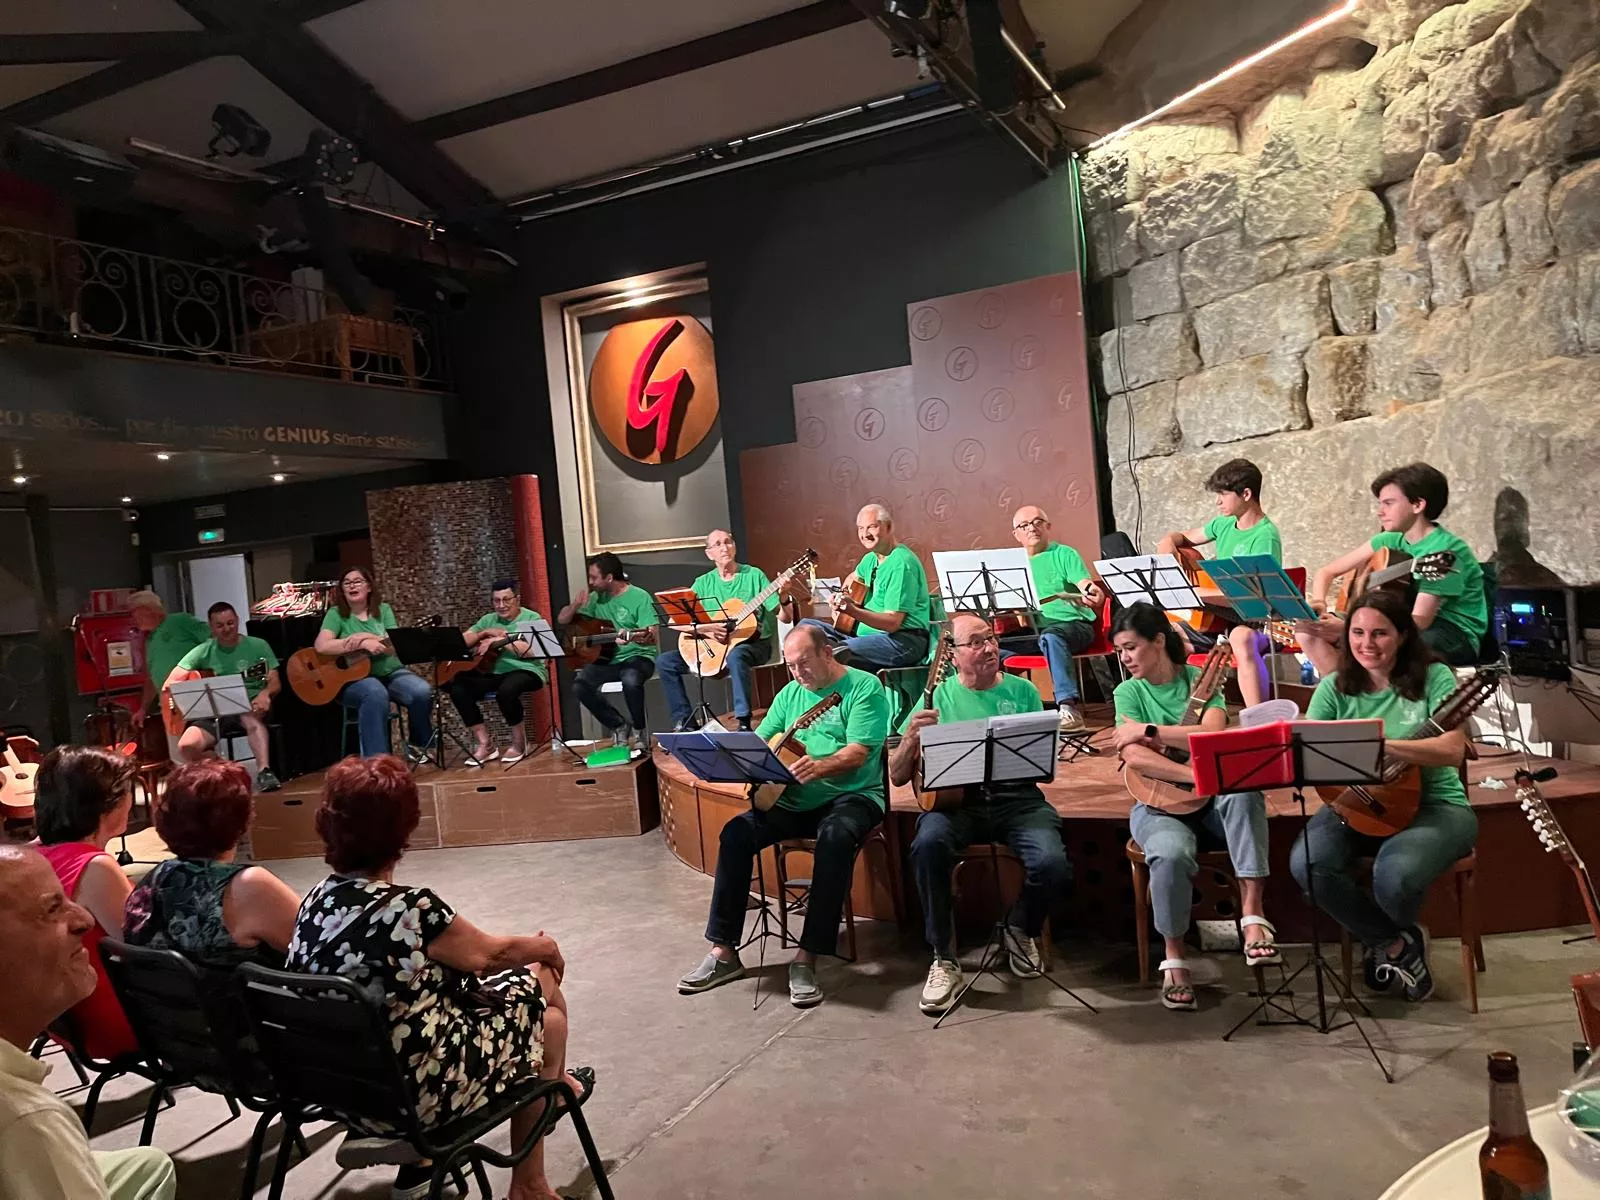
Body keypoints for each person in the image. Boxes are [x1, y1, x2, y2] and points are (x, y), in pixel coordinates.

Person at [287, 756, 592, 1200]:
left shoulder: (314, 901)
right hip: (417, 1101)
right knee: (540, 985)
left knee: (549, 1024)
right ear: (403, 830)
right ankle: (542, 1139)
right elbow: (490, 956)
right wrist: (544, 949)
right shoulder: (411, 909)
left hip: (347, 1095)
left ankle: (544, 1132)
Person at [678, 624, 889, 1008]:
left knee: (835, 837)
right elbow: (763, 741)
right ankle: (724, 952)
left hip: (853, 795)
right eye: (791, 666)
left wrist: (819, 767)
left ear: (827, 653)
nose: (797, 673)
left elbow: (859, 752)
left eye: (804, 663)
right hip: (792, 799)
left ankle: (808, 956)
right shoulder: (790, 693)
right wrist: (736, 760)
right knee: (735, 834)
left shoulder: (864, 687)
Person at [1288, 589, 1476, 1002]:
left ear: (1403, 636)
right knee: (1308, 864)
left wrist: (1382, 745)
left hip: (1437, 805)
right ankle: (1394, 943)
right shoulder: (1335, 686)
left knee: (1395, 874)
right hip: (1356, 803)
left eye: (1380, 633)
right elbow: (1309, 750)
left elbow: (1451, 750)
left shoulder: (1435, 678)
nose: (1366, 644)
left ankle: (1384, 943)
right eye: (1357, 633)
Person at [890, 613, 1070, 1016]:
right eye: (975, 642)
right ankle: (943, 957)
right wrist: (911, 739)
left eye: (990, 639)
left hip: (1017, 798)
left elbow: (1040, 765)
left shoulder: (1024, 691)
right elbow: (898, 775)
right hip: (956, 803)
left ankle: (1020, 928)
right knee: (927, 845)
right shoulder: (936, 697)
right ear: (952, 655)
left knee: (1052, 862)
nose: (989, 648)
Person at [1109, 603, 1279, 1011]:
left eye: (1131, 647)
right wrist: (1192, 773)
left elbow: (1213, 735)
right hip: (1158, 805)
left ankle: (1252, 916)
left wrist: (1150, 730)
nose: (1125, 658)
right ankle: (1174, 959)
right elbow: (1134, 755)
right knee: (1169, 854)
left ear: (1158, 641)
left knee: (1245, 793)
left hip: (1213, 804)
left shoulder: (1199, 681)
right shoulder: (1128, 691)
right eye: (1120, 651)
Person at [0, 844, 177, 1200]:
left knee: (150, 1165)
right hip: (117, 1032)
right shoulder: (26, 1121)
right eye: (52, 909)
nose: (85, 919)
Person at [1300, 462, 1488, 675]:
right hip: (1397, 622)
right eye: (1380, 504)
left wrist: (1349, 629)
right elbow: (1326, 572)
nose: (1380, 512)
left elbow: (1419, 622)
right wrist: (1320, 603)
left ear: (1418, 505)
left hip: (1452, 633)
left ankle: (1363, 691)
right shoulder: (1391, 539)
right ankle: (1344, 693)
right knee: (1308, 632)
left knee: (1382, 646)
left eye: (1388, 503)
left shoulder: (1445, 552)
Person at [123, 757, 300, 969]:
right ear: (242, 821)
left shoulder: (153, 880)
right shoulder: (250, 885)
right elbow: (316, 948)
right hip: (239, 992)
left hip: (157, 991)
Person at [33, 746, 139, 1060]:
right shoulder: (95, 867)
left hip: (62, 1019)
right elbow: (145, 952)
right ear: (106, 803)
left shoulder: (30, 856)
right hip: (111, 1022)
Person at [1156, 458, 1283, 709]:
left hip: (1258, 622)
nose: (1218, 501)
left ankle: (1258, 717)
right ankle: (1178, 710)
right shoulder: (1223, 524)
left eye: (1223, 494)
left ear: (1246, 494)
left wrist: (1196, 594)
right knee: (1164, 637)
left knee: (1240, 637)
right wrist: (1167, 542)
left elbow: (1253, 596)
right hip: (1220, 620)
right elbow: (1183, 537)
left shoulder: (1265, 535)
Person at [656, 530, 780, 733]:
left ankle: (743, 722)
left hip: (754, 645)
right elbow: (673, 622)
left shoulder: (754, 575)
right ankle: (684, 721)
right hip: (711, 648)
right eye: (718, 544)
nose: (724, 548)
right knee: (665, 662)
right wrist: (708, 630)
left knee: (736, 655)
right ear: (709, 553)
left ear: (734, 546)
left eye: (728, 542)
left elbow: (784, 616)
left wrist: (785, 597)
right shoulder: (703, 583)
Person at [787, 504, 930, 671]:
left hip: (901, 641)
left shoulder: (901, 564)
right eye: (861, 528)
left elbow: (892, 623)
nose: (865, 534)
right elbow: (852, 578)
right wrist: (841, 597)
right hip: (860, 635)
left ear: (889, 527)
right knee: (806, 629)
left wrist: (852, 611)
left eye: (872, 527)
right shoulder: (870, 559)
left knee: (838, 652)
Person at [314, 566, 435, 762]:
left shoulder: (383, 610)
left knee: (422, 691)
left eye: (357, 581)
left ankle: (418, 744)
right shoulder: (336, 614)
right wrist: (358, 643)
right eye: (347, 583)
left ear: (369, 587)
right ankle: (376, 761)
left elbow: (394, 646)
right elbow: (321, 646)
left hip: (389, 673)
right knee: (375, 692)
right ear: (342, 589)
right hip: (353, 681)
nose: (352, 586)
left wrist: (365, 637)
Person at [1005, 504, 1105, 732]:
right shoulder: (1013, 564)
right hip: (1036, 632)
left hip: (1074, 627)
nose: (1032, 528)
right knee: (988, 648)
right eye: (1024, 525)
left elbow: (1084, 583)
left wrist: (1091, 590)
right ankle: (1009, 709)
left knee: (1051, 637)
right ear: (1016, 534)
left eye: (1037, 522)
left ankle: (1068, 708)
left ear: (1048, 526)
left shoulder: (1063, 554)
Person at [167, 601, 283, 792]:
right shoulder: (205, 649)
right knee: (186, 746)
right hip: (214, 709)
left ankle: (264, 771)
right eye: (220, 625)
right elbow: (172, 680)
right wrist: (178, 695)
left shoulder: (258, 645)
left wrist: (265, 693)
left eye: (230, 623)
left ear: (237, 620)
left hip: (249, 703)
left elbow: (275, 680)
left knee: (251, 721)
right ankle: (223, 768)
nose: (227, 629)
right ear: (211, 627)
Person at [556, 553, 658, 749]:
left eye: (594, 577)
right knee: (580, 685)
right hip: (607, 659)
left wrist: (631, 637)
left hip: (638, 657)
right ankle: (618, 725)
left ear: (609, 577)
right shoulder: (596, 598)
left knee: (630, 679)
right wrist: (576, 604)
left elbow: (651, 635)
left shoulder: (639, 596)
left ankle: (640, 730)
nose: (590, 582)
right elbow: (562, 619)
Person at [446, 579, 548, 767]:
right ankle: (485, 744)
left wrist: (500, 641)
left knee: (507, 691)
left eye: (506, 600)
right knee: (457, 685)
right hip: (492, 673)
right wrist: (484, 633)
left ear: (517, 599)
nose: (501, 605)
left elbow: (535, 651)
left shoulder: (532, 618)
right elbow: (462, 641)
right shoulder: (488, 619)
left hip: (526, 670)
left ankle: (519, 743)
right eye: (496, 600)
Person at [129, 589, 207, 758]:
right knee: (178, 757)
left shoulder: (180, 621)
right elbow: (151, 679)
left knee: (197, 749)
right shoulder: (149, 640)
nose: (133, 619)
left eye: (135, 613)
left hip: (194, 697)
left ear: (148, 610)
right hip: (169, 705)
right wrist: (142, 709)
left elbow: (212, 642)